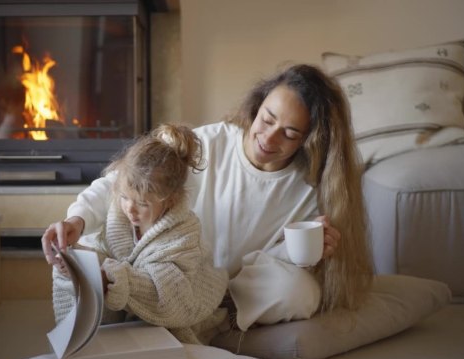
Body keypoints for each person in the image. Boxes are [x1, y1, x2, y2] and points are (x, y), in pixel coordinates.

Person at [43, 64, 373, 332]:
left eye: (289, 133)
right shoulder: (207, 144)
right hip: (164, 267)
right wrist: (77, 218)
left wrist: (305, 251)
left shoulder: (307, 188)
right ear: (256, 107)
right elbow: (123, 183)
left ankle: (204, 314)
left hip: (224, 288)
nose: (269, 138)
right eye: (267, 119)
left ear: (309, 140)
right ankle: (155, 302)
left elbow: (270, 261)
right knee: (93, 253)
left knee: (301, 294)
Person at [50, 123, 229, 344]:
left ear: (171, 200)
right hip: (125, 310)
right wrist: (75, 265)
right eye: (124, 197)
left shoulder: (185, 235)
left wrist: (111, 279)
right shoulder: (119, 216)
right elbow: (104, 255)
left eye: (142, 204)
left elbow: (172, 292)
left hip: (182, 304)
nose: (130, 209)